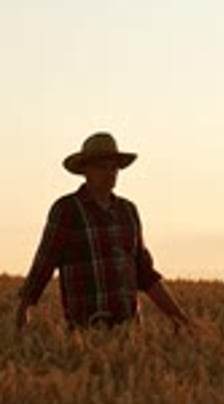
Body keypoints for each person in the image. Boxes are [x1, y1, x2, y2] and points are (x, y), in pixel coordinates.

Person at [16, 132, 193, 333]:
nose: (110, 173)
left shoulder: (128, 211)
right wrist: (25, 307)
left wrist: (179, 318)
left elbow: (145, 272)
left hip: (129, 332)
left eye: (114, 168)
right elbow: (45, 261)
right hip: (85, 331)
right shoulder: (67, 210)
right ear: (85, 170)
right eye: (102, 167)